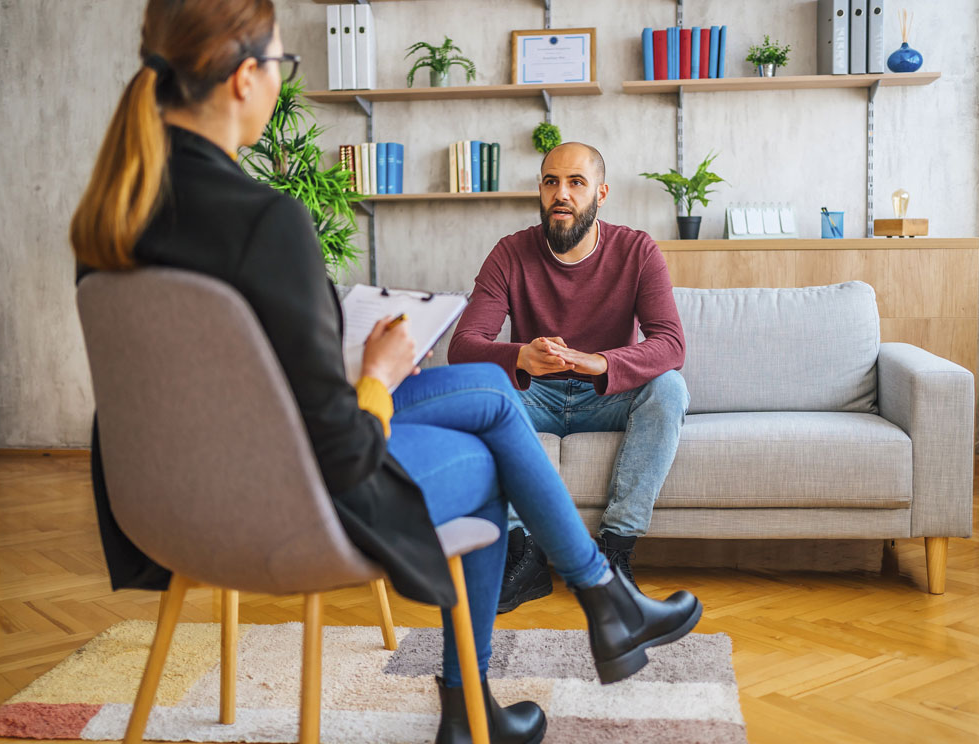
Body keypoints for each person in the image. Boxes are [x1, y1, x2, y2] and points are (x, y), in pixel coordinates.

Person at [70, 3, 702, 742]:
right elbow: (341, 445)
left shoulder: (113, 212)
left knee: (495, 397)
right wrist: (374, 369)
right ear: (245, 79)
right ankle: (524, 665)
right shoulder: (264, 220)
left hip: (169, 503)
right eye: (282, 66)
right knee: (493, 456)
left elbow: (234, 386)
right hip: (290, 501)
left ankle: (599, 600)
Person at [448, 142, 690, 613]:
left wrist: (603, 363)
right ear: (540, 190)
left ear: (600, 193)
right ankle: (526, 556)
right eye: (551, 182)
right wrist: (520, 356)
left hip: (606, 398)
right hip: (533, 395)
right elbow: (464, 345)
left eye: (576, 183)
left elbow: (671, 344)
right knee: (481, 392)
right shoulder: (510, 253)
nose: (562, 194)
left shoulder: (637, 250)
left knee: (669, 388)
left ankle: (614, 555)